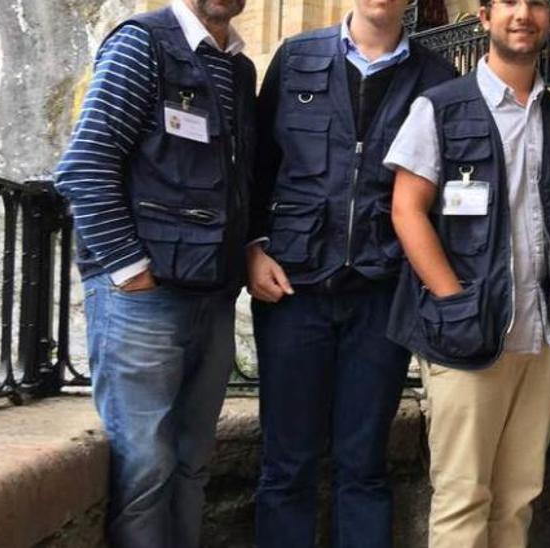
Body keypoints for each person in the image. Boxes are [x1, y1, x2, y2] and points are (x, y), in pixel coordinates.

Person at [246, 0, 456, 546]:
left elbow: (445, 198)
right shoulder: (296, 58)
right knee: (286, 463)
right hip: (293, 289)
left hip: (382, 294)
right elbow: (255, 164)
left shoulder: (436, 77)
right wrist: (252, 248)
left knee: (363, 464)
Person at [52, 0, 255, 546]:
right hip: (144, 298)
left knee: (191, 464)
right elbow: (85, 165)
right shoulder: (143, 43)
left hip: (210, 294)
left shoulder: (238, 66)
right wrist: (129, 268)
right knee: (145, 468)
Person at [383, 0, 550, 546]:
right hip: (466, 337)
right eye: (509, 3)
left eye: (537, 4)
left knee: (519, 497)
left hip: (539, 339)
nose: (524, 14)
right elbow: (406, 209)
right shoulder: (441, 107)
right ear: (485, 18)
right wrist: (452, 300)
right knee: (463, 497)